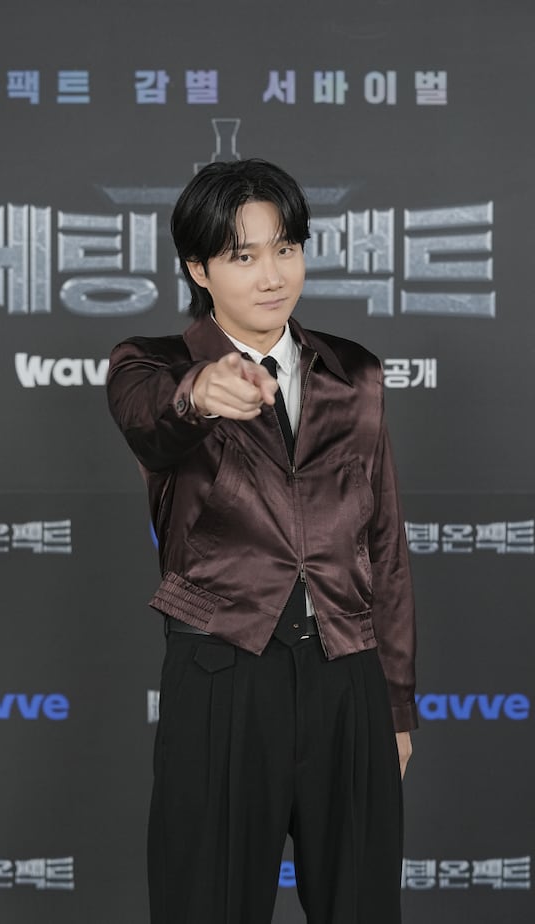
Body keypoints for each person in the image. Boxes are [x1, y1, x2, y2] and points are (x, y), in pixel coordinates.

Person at [107, 158, 416, 924]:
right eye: (243, 256)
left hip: (349, 674)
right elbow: (152, 418)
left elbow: (383, 542)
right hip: (223, 670)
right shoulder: (152, 365)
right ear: (198, 268)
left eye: (286, 249)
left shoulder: (354, 372)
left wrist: (395, 704)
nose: (273, 275)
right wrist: (201, 394)